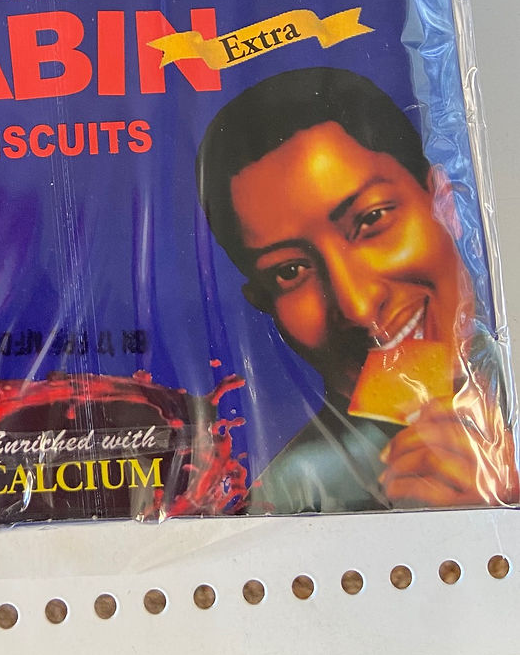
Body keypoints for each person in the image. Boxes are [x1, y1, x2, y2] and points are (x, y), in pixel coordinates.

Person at [196, 66, 517, 513]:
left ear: (444, 204)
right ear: (264, 303)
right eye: (291, 270)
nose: (358, 306)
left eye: (371, 219)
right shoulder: (292, 492)